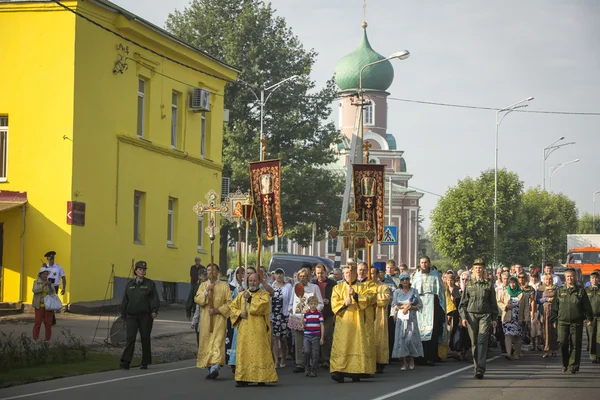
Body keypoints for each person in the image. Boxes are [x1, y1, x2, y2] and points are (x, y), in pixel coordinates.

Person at [229, 273, 278, 387]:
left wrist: (250, 299)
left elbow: (263, 308)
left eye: (254, 281)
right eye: (250, 281)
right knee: (244, 352)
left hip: (259, 329)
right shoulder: (241, 295)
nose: (252, 283)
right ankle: (243, 377)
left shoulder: (264, 294)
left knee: (259, 352)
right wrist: (240, 313)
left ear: (259, 282)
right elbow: (232, 307)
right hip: (245, 329)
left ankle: (261, 376)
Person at [330, 264, 376, 383]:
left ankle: (356, 370)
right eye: (346, 273)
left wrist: (356, 295)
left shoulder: (363, 286)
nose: (348, 275)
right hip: (344, 322)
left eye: (350, 273)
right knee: (342, 345)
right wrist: (344, 303)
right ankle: (338, 370)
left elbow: (370, 298)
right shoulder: (337, 288)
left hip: (358, 321)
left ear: (355, 274)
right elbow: (334, 304)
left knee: (357, 344)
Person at [458, 259, 498, 379]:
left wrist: (494, 318)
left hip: (485, 315)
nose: (478, 270)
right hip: (471, 316)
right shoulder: (469, 283)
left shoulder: (488, 284)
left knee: (482, 340)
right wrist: (463, 317)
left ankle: (480, 368)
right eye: (476, 268)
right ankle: (476, 367)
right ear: (473, 269)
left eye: (480, 267)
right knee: (474, 342)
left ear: (483, 269)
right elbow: (463, 304)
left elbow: (493, 302)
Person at [551, 268, 593, 373]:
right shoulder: (560, 291)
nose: (570, 278)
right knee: (562, 342)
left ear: (575, 277)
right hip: (562, 322)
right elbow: (554, 307)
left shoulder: (581, 291)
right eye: (568, 276)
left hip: (576, 322)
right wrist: (554, 320)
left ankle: (573, 365)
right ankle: (565, 364)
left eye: (572, 276)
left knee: (575, 344)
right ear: (565, 278)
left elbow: (587, 307)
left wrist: (588, 318)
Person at [119, 261, 160, 370]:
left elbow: (154, 298)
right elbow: (125, 301)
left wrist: (154, 310)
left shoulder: (149, 284)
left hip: (145, 315)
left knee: (145, 338)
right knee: (130, 338)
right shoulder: (130, 284)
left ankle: (145, 361)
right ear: (136, 271)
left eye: (144, 270)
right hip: (131, 315)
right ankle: (126, 361)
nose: (142, 271)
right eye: (140, 269)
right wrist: (123, 316)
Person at [195, 263, 231, 380]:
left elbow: (230, 303)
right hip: (206, 319)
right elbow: (198, 299)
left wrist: (217, 310)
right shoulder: (203, 285)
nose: (211, 272)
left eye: (213, 270)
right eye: (208, 270)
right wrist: (206, 291)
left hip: (219, 319)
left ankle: (215, 366)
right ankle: (210, 369)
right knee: (206, 342)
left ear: (218, 272)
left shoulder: (224, 286)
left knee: (217, 341)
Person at [412, 256, 446, 366]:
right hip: (420, 307)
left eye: (426, 262)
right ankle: (420, 357)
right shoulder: (416, 276)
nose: (424, 264)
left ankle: (431, 357)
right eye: (422, 262)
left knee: (433, 331)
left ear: (429, 263)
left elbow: (440, 293)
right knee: (419, 330)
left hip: (433, 306)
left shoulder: (435, 275)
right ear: (420, 263)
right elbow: (413, 293)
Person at [289, 267, 323, 373]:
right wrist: (291, 310)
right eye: (301, 276)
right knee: (299, 341)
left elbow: (320, 303)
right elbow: (291, 302)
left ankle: (312, 363)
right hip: (298, 317)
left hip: (311, 319)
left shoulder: (314, 287)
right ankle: (300, 363)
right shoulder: (295, 287)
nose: (302, 278)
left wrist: (314, 311)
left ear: (308, 277)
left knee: (312, 342)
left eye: (304, 276)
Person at [390, 272, 423, 370]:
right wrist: (401, 307)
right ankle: (404, 362)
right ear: (400, 281)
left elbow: (420, 305)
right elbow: (394, 305)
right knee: (402, 339)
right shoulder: (397, 292)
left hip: (411, 319)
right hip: (401, 319)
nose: (405, 281)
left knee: (411, 339)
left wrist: (411, 307)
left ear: (409, 281)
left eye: (406, 279)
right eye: (403, 279)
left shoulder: (414, 291)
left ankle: (412, 359)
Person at [314, 264, 337, 369]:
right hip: (315, 314)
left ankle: (325, 359)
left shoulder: (332, 284)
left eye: (321, 273)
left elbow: (336, 298)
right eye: (318, 273)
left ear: (326, 273)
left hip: (328, 313)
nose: (320, 275)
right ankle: (317, 358)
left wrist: (329, 301)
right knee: (316, 336)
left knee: (326, 335)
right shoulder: (313, 284)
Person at [270, 268, 293, 368]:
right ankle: (276, 360)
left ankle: (283, 357)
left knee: (283, 338)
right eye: (277, 274)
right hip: (274, 314)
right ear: (274, 275)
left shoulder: (288, 286)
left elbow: (291, 299)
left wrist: (289, 312)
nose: (278, 276)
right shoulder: (271, 286)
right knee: (275, 338)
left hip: (284, 315)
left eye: (280, 274)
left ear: (283, 275)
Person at [497, 276, 523, 361]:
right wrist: (505, 306)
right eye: (511, 282)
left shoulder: (521, 293)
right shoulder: (505, 292)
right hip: (507, 317)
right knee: (507, 335)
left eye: (514, 282)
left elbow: (526, 307)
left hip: (517, 317)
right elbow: (499, 301)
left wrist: (526, 318)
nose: (512, 284)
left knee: (517, 336)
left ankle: (516, 353)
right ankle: (508, 353)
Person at [371, 266, 391, 373]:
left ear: (378, 275)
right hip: (369, 316)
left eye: (374, 273)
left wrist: (372, 298)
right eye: (370, 273)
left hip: (380, 316)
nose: (372, 276)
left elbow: (385, 299)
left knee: (380, 339)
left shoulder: (383, 287)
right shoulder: (366, 286)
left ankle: (381, 362)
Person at [32, 266, 56, 341]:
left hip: (48, 306)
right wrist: (43, 285)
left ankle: (47, 339)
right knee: (37, 323)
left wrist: (49, 285)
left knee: (48, 324)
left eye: (46, 274)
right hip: (39, 305)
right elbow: (35, 290)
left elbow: (53, 293)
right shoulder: (36, 282)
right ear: (40, 275)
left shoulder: (49, 283)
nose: (45, 276)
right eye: (44, 274)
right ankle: (35, 338)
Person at [303, 296, 324, 377]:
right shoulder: (306, 314)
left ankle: (314, 370)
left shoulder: (319, 314)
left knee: (315, 354)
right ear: (308, 304)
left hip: (316, 336)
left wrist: (322, 337)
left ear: (317, 304)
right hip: (307, 336)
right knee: (306, 352)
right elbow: (304, 326)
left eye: (315, 304)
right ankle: (307, 367)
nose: (313, 305)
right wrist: (302, 322)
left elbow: (322, 325)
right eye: (311, 304)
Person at [43, 251, 65, 326]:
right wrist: (43, 268)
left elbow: (63, 277)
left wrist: (64, 288)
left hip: (54, 287)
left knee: (51, 303)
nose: (51, 260)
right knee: (47, 303)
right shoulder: (45, 267)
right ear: (47, 259)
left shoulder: (59, 267)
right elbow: (40, 276)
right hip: (46, 286)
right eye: (50, 259)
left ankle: (51, 320)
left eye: (52, 259)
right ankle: (52, 320)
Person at [538, 273, 558, 358]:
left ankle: (554, 349)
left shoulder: (555, 289)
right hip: (544, 311)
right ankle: (546, 350)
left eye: (549, 279)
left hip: (553, 311)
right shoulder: (540, 289)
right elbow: (538, 300)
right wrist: (547, 299)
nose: (548, 281)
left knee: (553, 331)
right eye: (546, 279)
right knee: (545, 331)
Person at [585, 271, 600, 363]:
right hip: (590, 317)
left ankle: (599, 355)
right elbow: (583, 305)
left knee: (599, 336)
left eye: (596, 278)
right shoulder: (586, 290)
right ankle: (593, 356)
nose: (595, 280)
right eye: (593, 278)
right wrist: (586, 317)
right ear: (590, 280)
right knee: (592, 336)